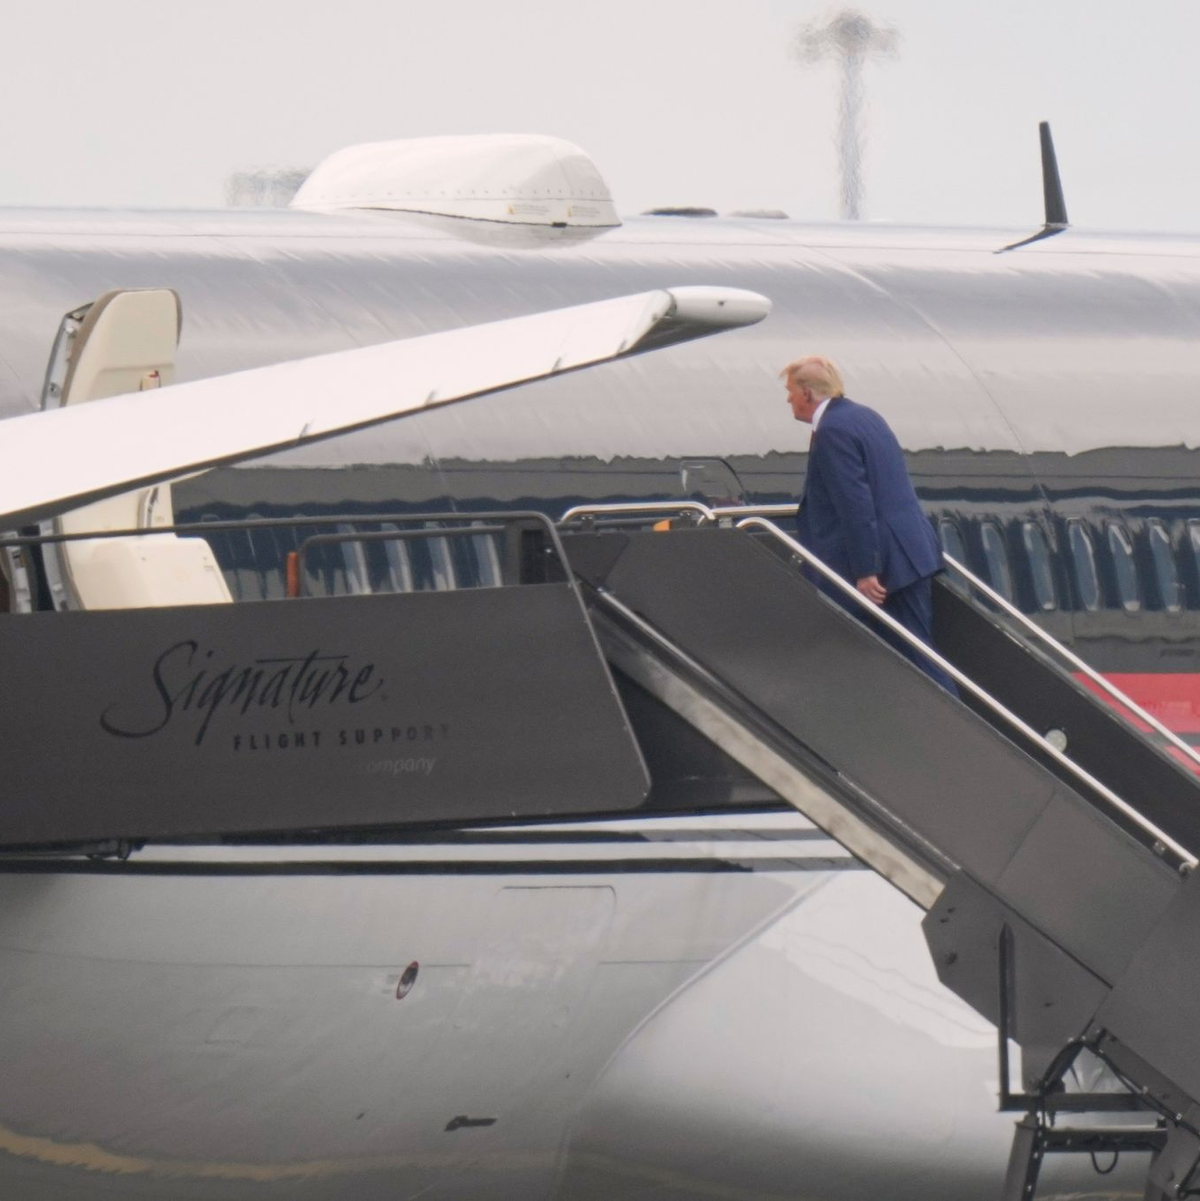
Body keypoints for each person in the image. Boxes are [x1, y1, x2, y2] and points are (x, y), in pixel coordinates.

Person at [782, 354, 958, 695]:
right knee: (917, 653)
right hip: (908, 553)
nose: (788, 399)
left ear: (806, 393)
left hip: (886, 567)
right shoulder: (864, 417)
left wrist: (866, 570)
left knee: (918, 662)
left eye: (790, 391)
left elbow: (855, 503)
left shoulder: (832, 431)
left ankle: (966, 738)